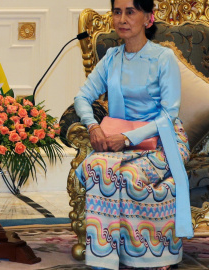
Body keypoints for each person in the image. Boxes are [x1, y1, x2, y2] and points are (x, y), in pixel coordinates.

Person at [74, 0, 193, 269]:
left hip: (164, 140)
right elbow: (82, 96)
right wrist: (93, 125)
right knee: (96, 167)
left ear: (148, 18)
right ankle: (104, 256)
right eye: (117, 12)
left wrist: (129, 138)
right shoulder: (112, 58)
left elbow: (168, 114)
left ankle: (150, 255)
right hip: (120, 142)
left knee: (128, 176)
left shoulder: (164, 58)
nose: (122, 19)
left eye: (130, 12)